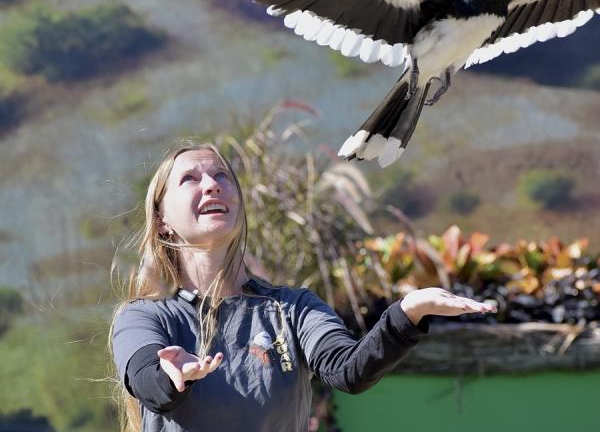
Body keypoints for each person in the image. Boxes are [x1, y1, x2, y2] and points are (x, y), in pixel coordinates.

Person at [110, 140, 495, 432]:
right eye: (190, 179)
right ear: (162, 220)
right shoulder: (144, 317)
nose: (211, 185)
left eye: (221, 176)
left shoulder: (293, 309)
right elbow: (148, 383)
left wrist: (407, 313)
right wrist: (172, 377)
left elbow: (349, 371)